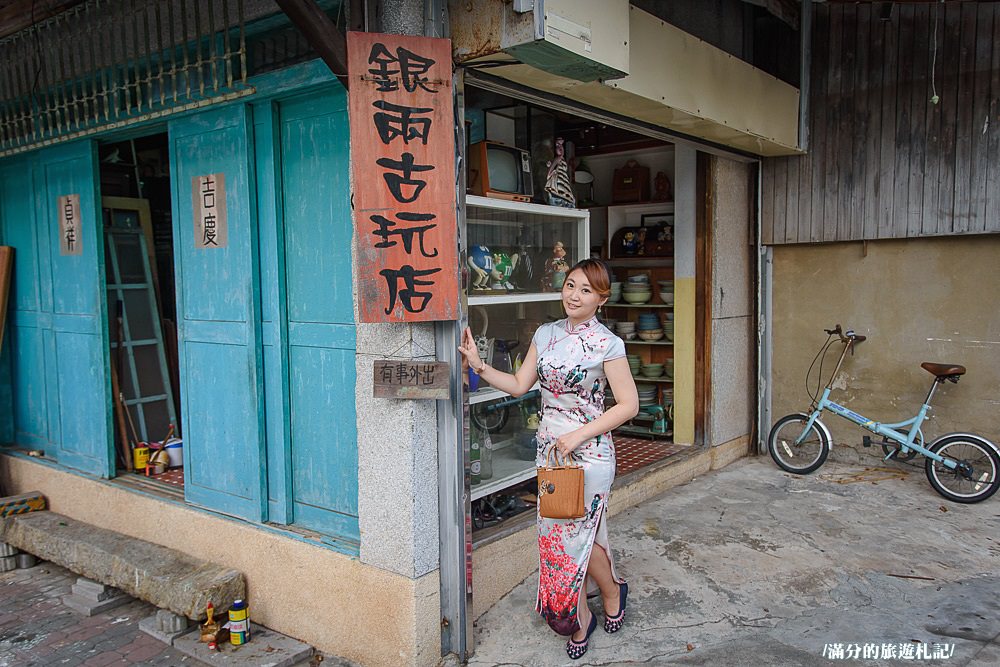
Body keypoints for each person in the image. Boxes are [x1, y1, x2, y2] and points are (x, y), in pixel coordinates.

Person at [458, 259, 639, 660]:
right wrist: (480, 366)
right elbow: (521, 384)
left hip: (590, 452)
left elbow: (628, 405)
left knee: (578, 532)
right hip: (551, 453)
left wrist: (577, 434)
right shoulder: (546, 333)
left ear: (601, 299)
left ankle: (607, 595)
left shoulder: (608, 343)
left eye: (586, 290)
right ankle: (582, 611)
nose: (574, 295)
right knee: (561, 533)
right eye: (570, 285)